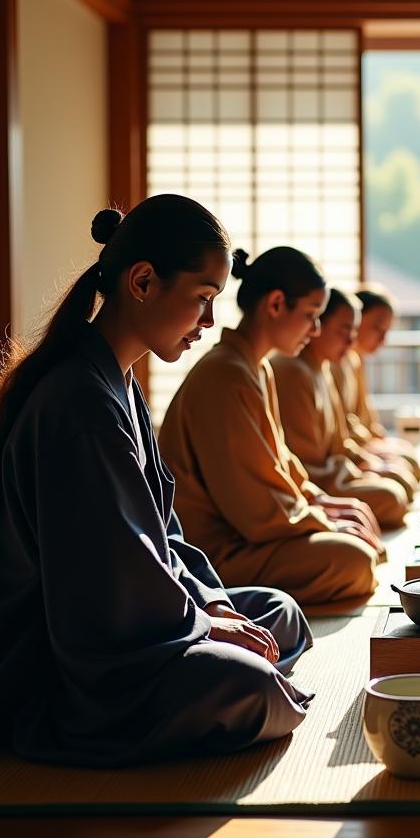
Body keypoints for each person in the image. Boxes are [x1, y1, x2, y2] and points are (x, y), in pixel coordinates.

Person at [0, 195, 313, 767]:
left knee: (277, 612)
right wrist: (205, 626)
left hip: (124, 617)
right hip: (39, 673)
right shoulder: (79, 402)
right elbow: (108, 585)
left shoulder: (117, 386)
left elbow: (164, 539)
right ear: (143, 282)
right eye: (202, 300)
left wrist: (211, 604)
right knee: (250, 687)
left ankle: (226, 661)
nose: (208, 324)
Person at [158, 246, 382, 606]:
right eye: (311, 315)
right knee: (352, 560)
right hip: (217, 552)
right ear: (276, 304)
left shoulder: (255, 367)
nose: (316, 330)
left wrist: (320, 501)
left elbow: (282, 464)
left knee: (355, 545)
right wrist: (323, 520)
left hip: (250, 534)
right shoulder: (226, 373)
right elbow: (254, 506)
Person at [272, 289, 409, 529]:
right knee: (392, 497)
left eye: (353, 332)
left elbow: (341, 438)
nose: (350, 341)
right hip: (310, 486)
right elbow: (305, 465)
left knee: (398, 481)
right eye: (344, 330)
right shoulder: (290, 370)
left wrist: (363, 462)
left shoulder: (321, 367)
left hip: (327, 478)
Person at [332, 284, 420, 483]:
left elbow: (364, 415)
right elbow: (341, 428)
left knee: (408, 459)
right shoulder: (333, 363)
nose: (383, 339)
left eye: (386, 331)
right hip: (343, 458)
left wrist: (377, 440)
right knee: (399, 481)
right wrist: (368, 450)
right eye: (377, 328)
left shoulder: (353, 360)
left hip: (358, 446)